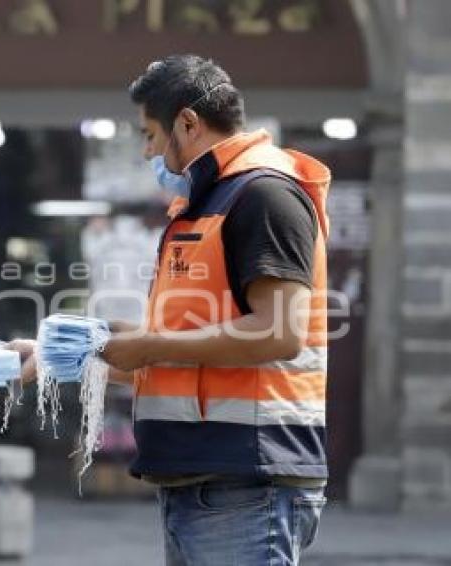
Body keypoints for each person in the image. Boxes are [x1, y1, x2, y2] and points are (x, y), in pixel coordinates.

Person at [100, 55, 331, 565]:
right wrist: (95, 353)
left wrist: (149, 344)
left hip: (248, 482)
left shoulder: (264, 195)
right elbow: (197, 351)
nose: (147, 152)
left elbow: (279, 333)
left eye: (150, 135)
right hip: (208, 481)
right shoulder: (209, 203)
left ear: (187, 122)